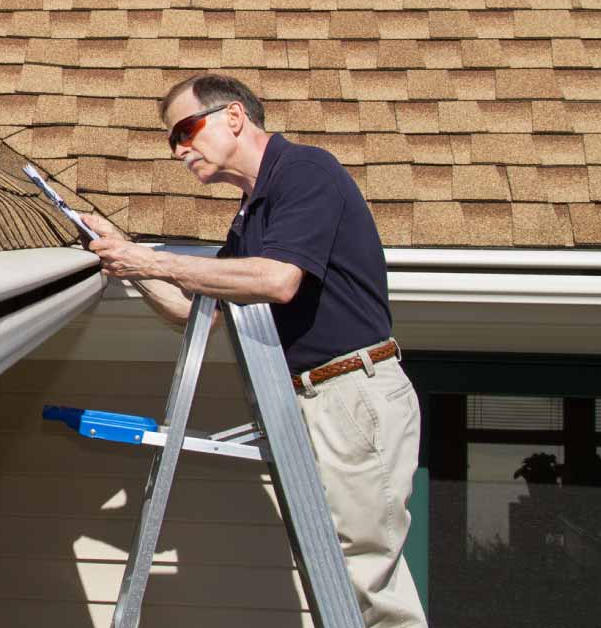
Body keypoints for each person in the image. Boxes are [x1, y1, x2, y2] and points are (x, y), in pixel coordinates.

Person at [81, 73, 426, 628]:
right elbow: (193, 313)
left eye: (185, 131)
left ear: (234, 117)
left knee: (366, 582)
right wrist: (125, 255)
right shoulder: (251, 215)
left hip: (349, 395)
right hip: (312, 399)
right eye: (173, 141)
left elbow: (278, 280)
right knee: (339, 578)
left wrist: (154, 261)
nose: (178, 151)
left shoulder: (306, 172)